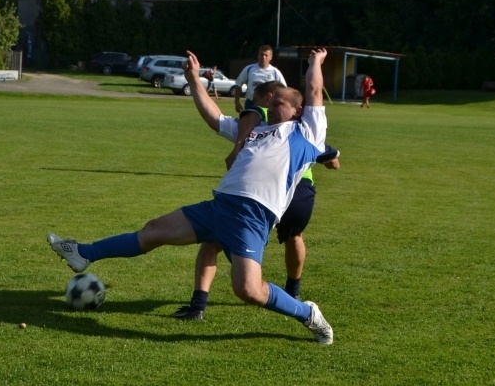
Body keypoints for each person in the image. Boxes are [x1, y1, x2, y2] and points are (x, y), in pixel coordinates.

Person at [48, 48, 334, 344]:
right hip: (219, 207)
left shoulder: (307, 133)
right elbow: (214, 118)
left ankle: (307, 314)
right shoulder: (255, 130)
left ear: (298, 110)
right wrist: (194, 80)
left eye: (279, 103)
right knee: (153, 230)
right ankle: (83, 253)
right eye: (271, 102)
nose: (271, 107)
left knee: (249, 290)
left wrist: (315, 61)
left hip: (251, 217)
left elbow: (313, 89)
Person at [173, 81, 340, 321]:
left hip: (269, 189)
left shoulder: (255, 119)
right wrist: (330, 158)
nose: (266, 106)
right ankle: (293, 294)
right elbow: (331, 155)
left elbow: (222, 119)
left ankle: (198, 304)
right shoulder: (298, 125)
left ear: (269, 97)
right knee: (293, 238)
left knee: (212, 241)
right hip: (301, 188)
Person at [233, 44, 287, 113]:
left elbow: (284, 89)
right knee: (250, 123)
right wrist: (237, 102)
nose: (263, 57)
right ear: (258, 55)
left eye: (266, 55)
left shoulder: (275, 72)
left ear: (271, 57)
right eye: (261, 54)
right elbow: (238, 84)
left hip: (268, 105)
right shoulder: (249, 69)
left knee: (267, 123)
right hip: (251, 103)